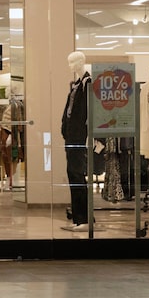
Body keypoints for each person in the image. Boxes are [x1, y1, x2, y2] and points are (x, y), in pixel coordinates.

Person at [61, 51, 92, 232]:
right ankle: (79, 216)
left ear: (81, 62)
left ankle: (84, 218)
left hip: (80, 137)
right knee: (73, 175)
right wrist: (64, 129)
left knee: (78, 175)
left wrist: (87, 135)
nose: (70, 65)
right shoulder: (76, 85)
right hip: (72, 137)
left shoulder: (88, 84)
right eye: (69, 62)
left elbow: (87, 112)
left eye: (73, 62)